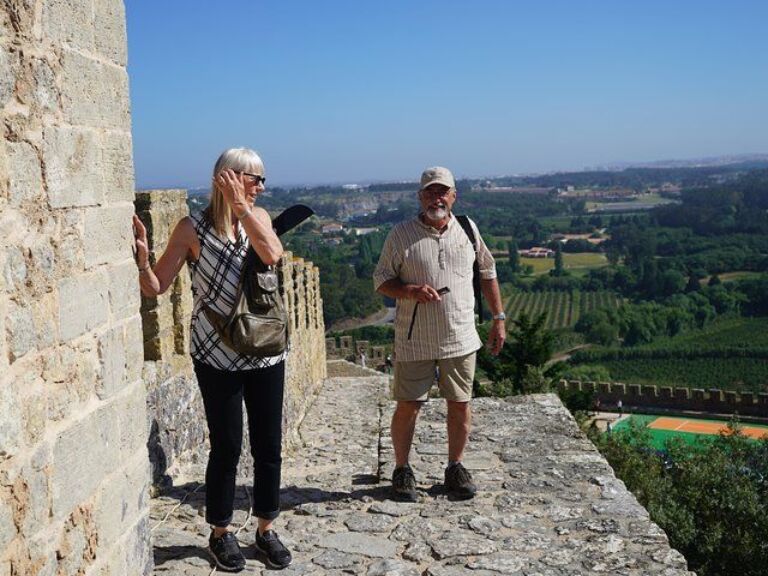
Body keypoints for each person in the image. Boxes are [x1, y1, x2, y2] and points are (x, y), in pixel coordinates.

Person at [133, 148, 292, 571]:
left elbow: (272, 253)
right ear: (228, 177)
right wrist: (144, 259)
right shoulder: (192, 228)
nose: (260, 186)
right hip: (215, 353)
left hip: (264, 351)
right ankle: (220, 532)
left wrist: (244, 208)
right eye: (253, 178)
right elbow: (157, 287)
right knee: (226, 445)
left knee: (268, 445)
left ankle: (265, 528)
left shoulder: (258, 220)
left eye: (261, 179)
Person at [373, 166, 506, 501]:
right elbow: (382, 280)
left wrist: (498, 318)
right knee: (408, 405)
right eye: (430, 192)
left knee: (460, 404)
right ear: (420, 197)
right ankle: (402, 469)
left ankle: (455, 467)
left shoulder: (468, 228)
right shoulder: (400, 234)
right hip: (414, 337)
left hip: (460, 335)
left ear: (453, 196)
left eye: (442, 191)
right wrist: (410, 291)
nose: (437, 198)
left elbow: (487, 271)